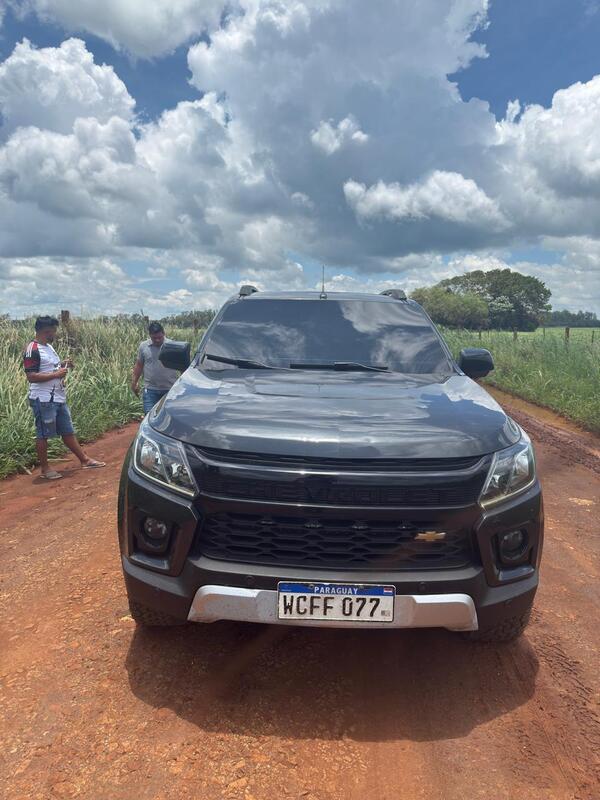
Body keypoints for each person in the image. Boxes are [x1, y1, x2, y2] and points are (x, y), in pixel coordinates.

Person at [23, 316, 106, 480]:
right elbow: (31, 376)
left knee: (67, 430)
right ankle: (45, 469)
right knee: (43, 434)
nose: (55, 333)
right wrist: (56, 374)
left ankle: (84, 460)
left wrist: (62, 364)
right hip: (43, 399)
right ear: (46, 331)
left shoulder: (48, 347)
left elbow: (48, 367)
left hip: (58, 397)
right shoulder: (32, 349)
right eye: (53, 331)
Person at [131, 321, 179, 413]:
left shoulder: (172, 346)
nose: (157, 340)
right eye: (154, 338)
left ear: (164, 334)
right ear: (150, 335)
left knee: (168, 418)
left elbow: (181, 366)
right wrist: (134, 382)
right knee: (149, 417)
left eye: (159, 337)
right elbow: (139, 365)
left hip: (169, 390)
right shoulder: (143, 346)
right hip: (150, 390)